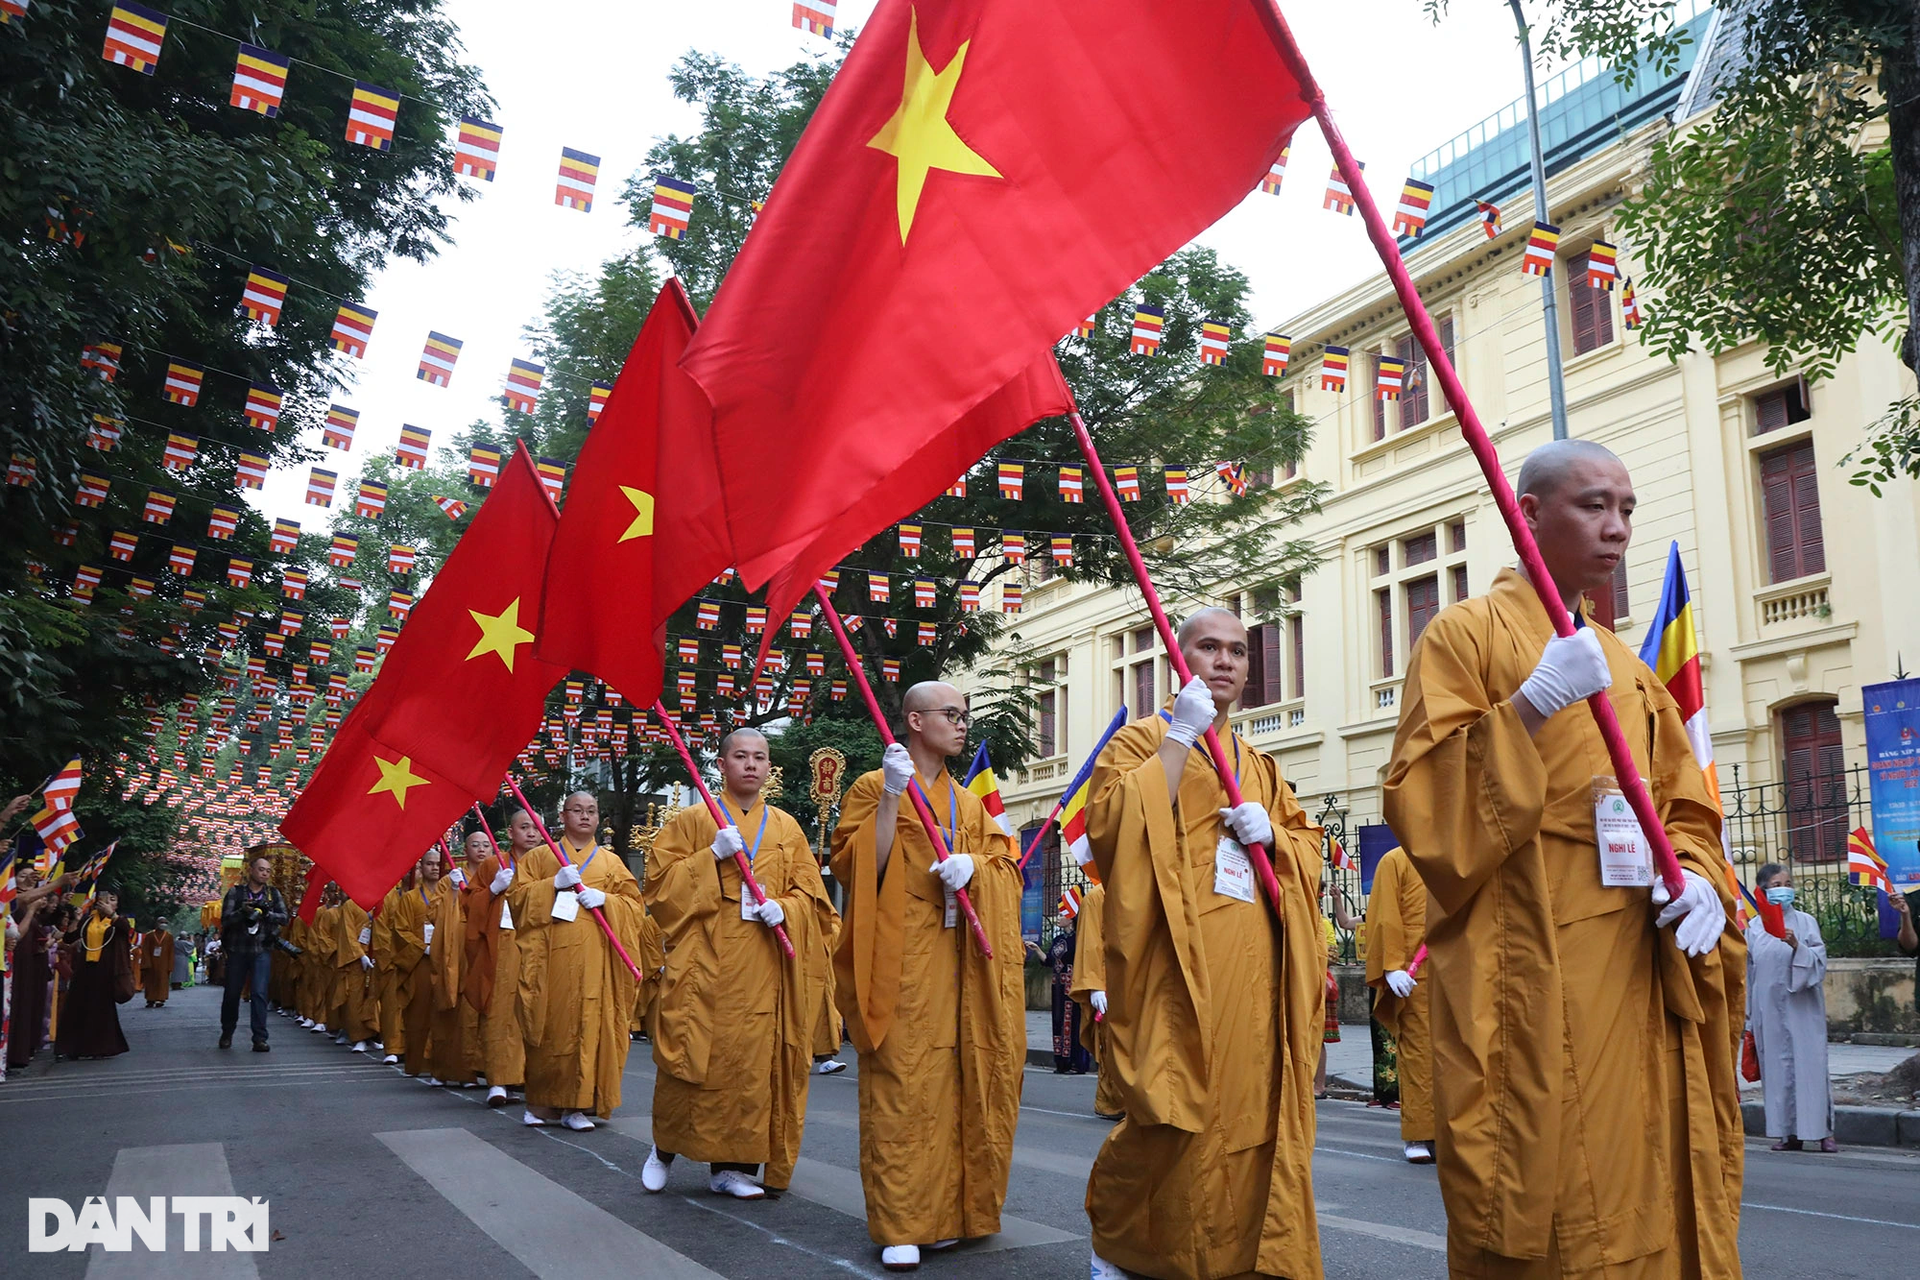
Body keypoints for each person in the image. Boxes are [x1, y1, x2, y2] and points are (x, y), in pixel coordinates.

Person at [1384, 438, 1746, 1278]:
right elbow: (1421, 803)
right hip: (1536, 955)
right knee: (1549, 1176)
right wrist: (1531, 705)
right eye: (1594, 505)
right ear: (1529, 514)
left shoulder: (1626, 664)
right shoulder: (1464, 635)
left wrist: (1695, 876)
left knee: (1650, 1160)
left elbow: (1683, 803)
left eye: (1626, 508)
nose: (1617, 527)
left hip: (1636, 950)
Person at [1082, 609, 1326, 1280]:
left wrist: (1277, 836)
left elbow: (1310, 847)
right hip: (1174, 968)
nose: (1225, 661)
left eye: (1238, 652)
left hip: (1255, 969)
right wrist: (1181, 737)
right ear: (1179, 658)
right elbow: (1109, 828)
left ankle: (1237, 1253)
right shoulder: (1142, 742)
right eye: (1209, 648)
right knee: (1169, 1108)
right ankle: (1125, 1240)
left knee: (1251, 1116)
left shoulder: (1262, 766)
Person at [830, 682, 1025, 1271]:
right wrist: (891, 796)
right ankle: (901, 1221)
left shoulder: (969, 802)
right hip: (905, 959)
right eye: (951, 715)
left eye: (965, 716)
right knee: (903, 1088)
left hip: (961, 962)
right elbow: (861, 865)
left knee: (963, 1084)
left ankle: (953, 1212)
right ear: (915, 720)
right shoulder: (873, 785)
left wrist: (978, 869)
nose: (962, 725)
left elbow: (1007, 870)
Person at [643, 727, 839, 1199]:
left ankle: (730, 1168)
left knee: (752, 1068)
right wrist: (710, 856)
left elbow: (812, 895)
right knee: (692, 1056)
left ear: (769, 768)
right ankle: (663, 1148)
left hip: (762, 964)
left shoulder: (787, 828)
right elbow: (659, 890)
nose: (751, 764)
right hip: (705, 959)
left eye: (760, 757)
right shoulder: (692, 820)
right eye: (740, 756)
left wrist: (786, 908)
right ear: (722, 765)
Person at [505, 791, 654, 1131]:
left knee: (590, 1028)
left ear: (598, 818)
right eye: (577, 810)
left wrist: (605, 899)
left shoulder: (611, 862)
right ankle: (542, 1104)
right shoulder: (541, 857)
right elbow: (516, 902)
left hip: (596, 962)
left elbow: (634, 907)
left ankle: (579, 1105)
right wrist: (551, 885)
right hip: (550, 960)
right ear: (563, 815)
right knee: (551, 1027)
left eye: (591, 811)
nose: (585, 816)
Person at [1745, 863, 1835, 1152]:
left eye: (1787, 882)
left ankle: (1823, 1133)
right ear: (1763, 891)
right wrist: (1748, 1019)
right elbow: (1749, 974)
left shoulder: (1806, 922)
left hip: (1803, 1009)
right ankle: (1788, 1134)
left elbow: (1819, 963)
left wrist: (1798, 947)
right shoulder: (1754, 928)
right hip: (1768, 1011)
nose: (1783, 888)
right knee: (1778, 1069)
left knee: (1811, 1067)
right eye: (1776, 883)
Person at [1364, 845, 1434, 1162]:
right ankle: (1419, 1133)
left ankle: (1455, 1130)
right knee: (1419, 1052)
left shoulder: (1453, 855)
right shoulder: (1395, 861)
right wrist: (1390, 966)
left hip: (1455, 969)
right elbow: (1383, 917)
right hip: (1413, 976)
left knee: (1460, 1053)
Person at [466, 811, 538, 1107]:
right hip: (502, 943)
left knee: (535, 1010)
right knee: (498, 1012)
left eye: (536, 828)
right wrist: (493, 890)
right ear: (510, 832)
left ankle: (527, 1078)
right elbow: (468, 903)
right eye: (524, 827)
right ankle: (497, 1080)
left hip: (537, 942)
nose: (531, 833)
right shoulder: (493, 864)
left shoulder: (548, 862)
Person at [425, 833, 490, 1088]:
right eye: (475, 845)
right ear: (465, 849)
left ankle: (481, 1067)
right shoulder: (449, 880)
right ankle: (450, 1068)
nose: (482, 850)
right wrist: (453, 891)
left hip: (484, 947)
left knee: (481, 1007)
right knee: (453, 1005)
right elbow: (433, 914)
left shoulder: (496, 875)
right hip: (457, 949)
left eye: (486, 845)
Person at [1066, 875, 1124, 1120]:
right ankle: (1112, 1102)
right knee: (1111, 1044)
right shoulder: (1095, 897)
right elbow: (1090, 944)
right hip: (1108, 985)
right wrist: (1094, 985)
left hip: (1136, 982)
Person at [219, 855, 290, 1052]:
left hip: (261, 950)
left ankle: (259, 1038)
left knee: (259, 993)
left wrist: (267, 914)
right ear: (251, 870)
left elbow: (285, 918)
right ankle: (227, 1031)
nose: (265, 873)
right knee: (232, 994)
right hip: (238, 950)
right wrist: (243, 912)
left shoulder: (272, 894)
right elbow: (225, 920)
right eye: (261, 869)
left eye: (268, 871)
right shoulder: (236, 893)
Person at [56, 885, 134, 1059]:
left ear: (117, 905)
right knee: (76, 1006)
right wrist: (75, 919)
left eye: (112, 900)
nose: (107, 902)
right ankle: (71, 1048)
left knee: (100, 1009)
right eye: (104, 898)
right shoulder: (88, 920)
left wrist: (111, 915)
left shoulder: (117, 922)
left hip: (106, 970)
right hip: (85, 969)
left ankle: (100, 1048)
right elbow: (70, 938)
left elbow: (125, 929)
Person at [401, 849, 449, 1082]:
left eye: (437, 864)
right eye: (428, 864)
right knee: (418, 1012)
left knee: (443, 1012)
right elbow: (400, 931)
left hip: (446, 960)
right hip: (419, 961)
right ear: (422, 866)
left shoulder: (450, 894)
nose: (433, 868)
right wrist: (422, 947)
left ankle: (440, 1065)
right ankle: (418, 1063)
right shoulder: (410, 898)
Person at [373, 867, 419, 1064]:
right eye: (408, 869)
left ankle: (418, 1049)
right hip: (398, 958)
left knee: (420, 1007)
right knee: (394, 1005)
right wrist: (392, 957)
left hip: (425, 957)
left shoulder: (433, 893)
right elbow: (381, 929)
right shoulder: (389, 897)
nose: (412, 872)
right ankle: (393, 1046)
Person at [331, 884, 379, 1053]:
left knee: (373, 998)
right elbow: (348, 934)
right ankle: (358, 1037)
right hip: (356, 959)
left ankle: (372, 1034)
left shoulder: (379, 903)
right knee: (355, 1000)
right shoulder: (350, 906)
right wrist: (360, 955)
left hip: (376, 957)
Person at [141, 919, 175, 1008]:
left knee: (162, 981)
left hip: (164, 963)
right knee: (151, 981)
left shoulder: (169, 936)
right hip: (151, 962)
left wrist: (170, 965)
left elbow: (171, 952)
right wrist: (146, 963)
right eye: (161, 922)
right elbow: (145, 950)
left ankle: (161, 999)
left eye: (165, 923)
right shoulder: (149, 935)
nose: (163, 924)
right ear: (157, 923)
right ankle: (150, 999)